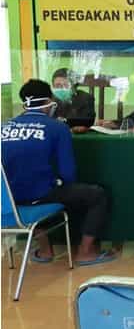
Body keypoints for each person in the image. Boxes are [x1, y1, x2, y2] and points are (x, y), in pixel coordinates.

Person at [1, 80, 115, 266]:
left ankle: (45, 251)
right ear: (49, 101)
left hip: (7, 201)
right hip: (40, 196)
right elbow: (68, 174)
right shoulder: (57, 127)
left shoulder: (3, 128)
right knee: (98, 195)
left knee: (34, 193)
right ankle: (85, 253)